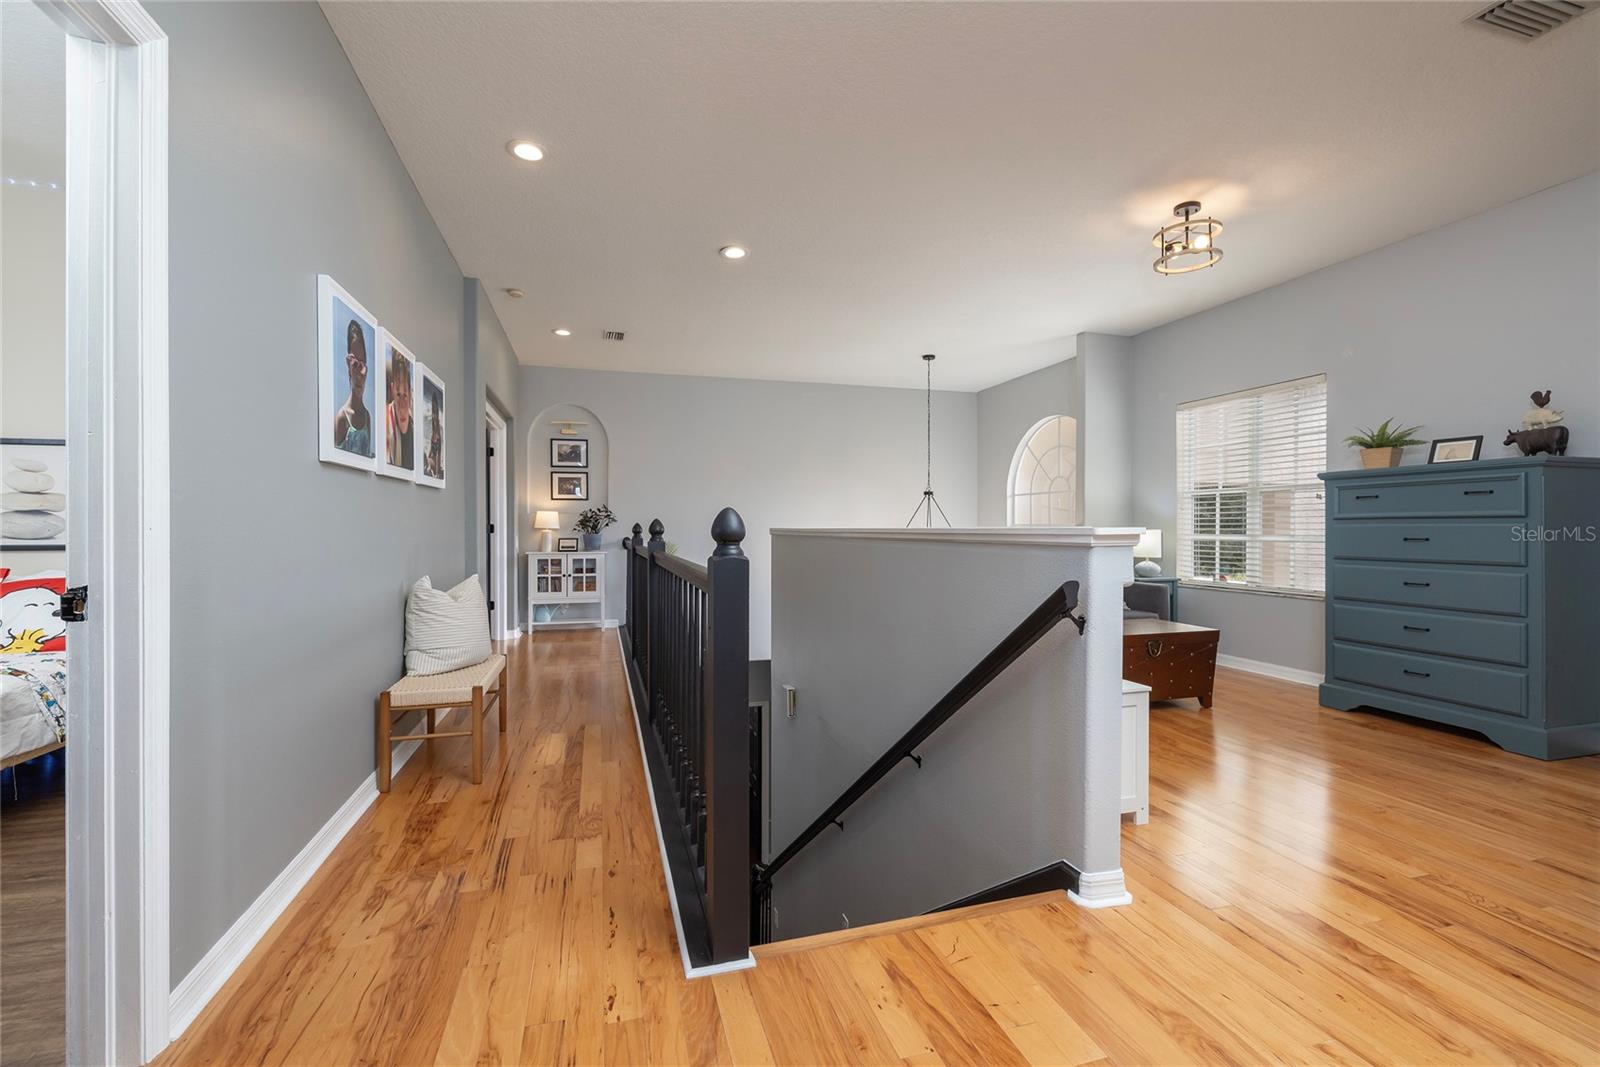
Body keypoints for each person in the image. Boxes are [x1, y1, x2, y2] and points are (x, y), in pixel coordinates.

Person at [333, 318, 372, 456]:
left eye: (362, 364)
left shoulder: (367, 417)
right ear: (348, 365)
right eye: (355, 364)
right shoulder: (342, 418)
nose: (359, 374)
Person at [386, 349, 414, 469]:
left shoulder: (415, 426)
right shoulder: (385, 423)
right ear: (392, 390)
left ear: (410, 393)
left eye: (405, 395)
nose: (402, 405)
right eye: (398, 394)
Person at [423, 389, 443, 478]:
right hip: (432, 460)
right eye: (432, 411)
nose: (433, 415)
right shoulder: (434, 428)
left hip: (435, 464)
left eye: (435, 412)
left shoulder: (439, 430)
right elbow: (432, 448)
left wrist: (437, 472)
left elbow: (439, 453)